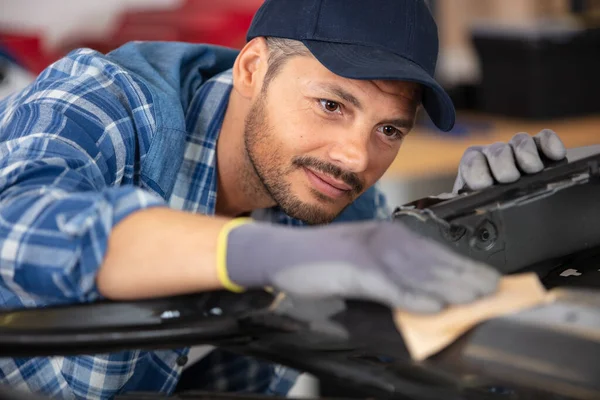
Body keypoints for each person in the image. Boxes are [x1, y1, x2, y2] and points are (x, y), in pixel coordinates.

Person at [0, 0, 568, 399]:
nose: (355, 158)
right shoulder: (106, 102)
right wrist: (265, 254)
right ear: (252, 68)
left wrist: (479, 235)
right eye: (331, 105)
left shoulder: (333, 204)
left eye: (389, 130)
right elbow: (17, 228)